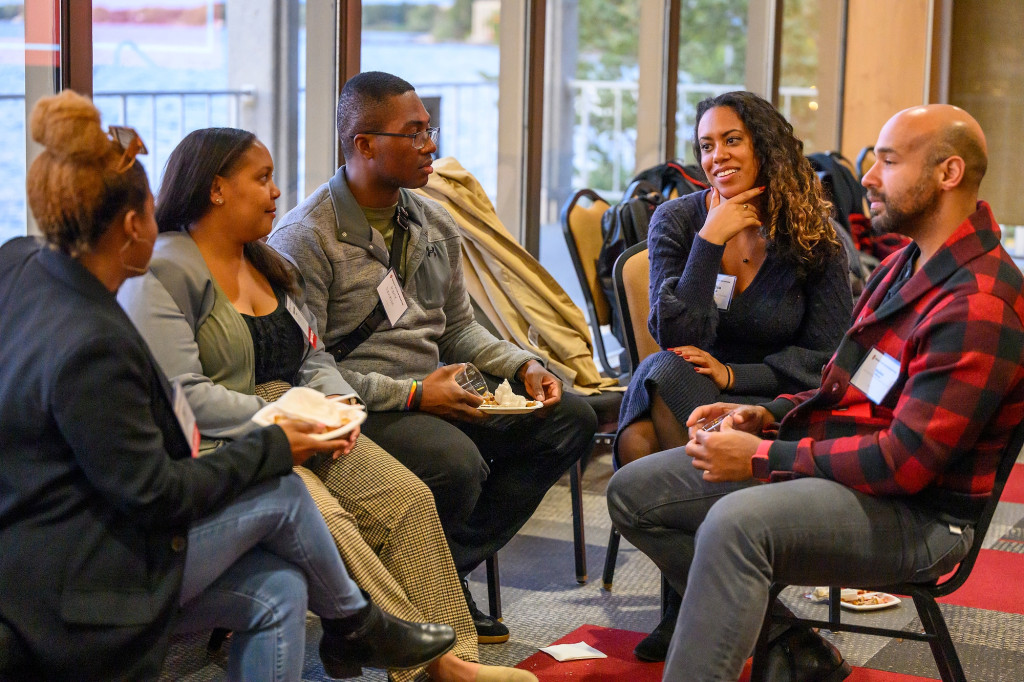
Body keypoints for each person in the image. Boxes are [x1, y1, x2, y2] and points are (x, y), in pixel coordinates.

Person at [0, 90, 456, 682]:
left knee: (283, 589)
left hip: (53, 523)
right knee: (288, 495)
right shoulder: (98, 343)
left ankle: (374, 635)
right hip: (79, 572)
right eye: (151, 210)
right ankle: (356, 627)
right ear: (136, 225)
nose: (276, 192)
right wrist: (273, 446)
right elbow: (158, 493)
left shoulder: (19, 262)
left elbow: (308, 349)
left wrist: (315, 411)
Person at [607, 103, 1024, 681]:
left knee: (735, 523)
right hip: (844, 457)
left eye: (887, 161)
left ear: (948, 174)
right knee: (632, 490)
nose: (868, 179)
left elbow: (903, 465)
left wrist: (762, 454)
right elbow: (838, 382)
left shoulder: (977, 303)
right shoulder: (906, 265)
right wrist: (766, 414)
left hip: (917, 514)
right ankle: (788, 644)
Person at [117, 126, 536, 682]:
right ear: (216, 189)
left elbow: (313, 355)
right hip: (228, 440)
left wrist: (338, 404)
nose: (276, 192)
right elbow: (183, 395)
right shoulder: (167, 269)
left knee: (407, 500)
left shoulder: (267, 263)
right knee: (324, 512)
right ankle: (434, 667)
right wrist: (295, 415)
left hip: (302, 412)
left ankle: (459, 657)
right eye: (262, 179)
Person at [268, 71, 598, 641]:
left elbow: (459, 331)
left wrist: (523, 365)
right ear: (363, 144)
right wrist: (418, 394)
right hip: (365, 407)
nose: (432, 146)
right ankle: (427, 594)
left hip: (438, 394)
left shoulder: (432, 221)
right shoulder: (306, 237)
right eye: (414, 133)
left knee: (570, 419)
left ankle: (435, 577)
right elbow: (305, 368)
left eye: (430, 129)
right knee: (455, 461)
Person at [616, 91, 852, 660]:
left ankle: (690, 606)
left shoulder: (813, 231)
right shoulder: (678, 219)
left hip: (774, 394)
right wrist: (709, 241)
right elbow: (674, 333)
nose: (715, 155)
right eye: (705, 144)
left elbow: (828, 354)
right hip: (684, 380)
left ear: (764, 147)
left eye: (731, 140)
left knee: (644, 439)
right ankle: (755, 619)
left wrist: (731, 373)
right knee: (666, 372)